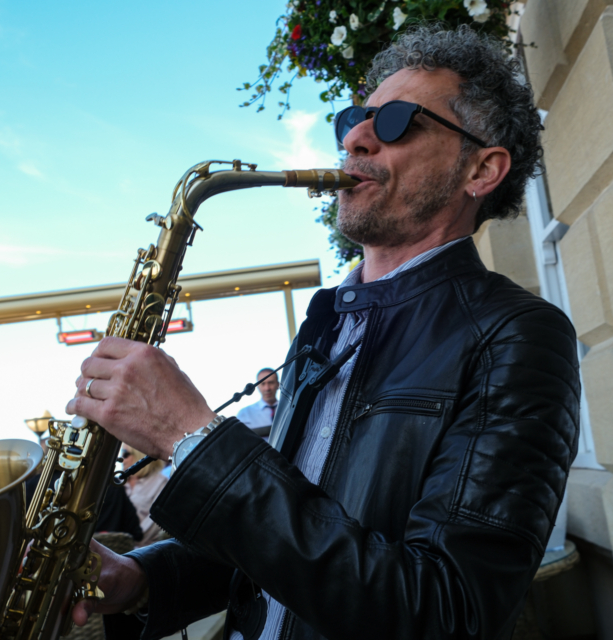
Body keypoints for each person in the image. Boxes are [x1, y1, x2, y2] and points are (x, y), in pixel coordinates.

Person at [65, 24, 580, 640]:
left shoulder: (517, 337)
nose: (358, 138)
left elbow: (443, 612)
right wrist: (141, 578)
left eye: (397, 124)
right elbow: (281, 539)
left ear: (482, 168)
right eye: (353, 120)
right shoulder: (326, 325)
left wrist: (191, 437)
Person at [121, 446, 168, 547]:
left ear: (139, 455)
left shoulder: (161, 483)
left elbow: (154, 522)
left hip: (141, 548)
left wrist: (127, 542)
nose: (121, 458)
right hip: (113, 544)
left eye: (125, 453)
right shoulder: (118, 483)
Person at [236, 369, 279, 438]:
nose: (267, 388)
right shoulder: (245, 414)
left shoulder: (290, 409)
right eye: (263, 384)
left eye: (271, 383)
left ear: (278, 384)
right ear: (258, 387)